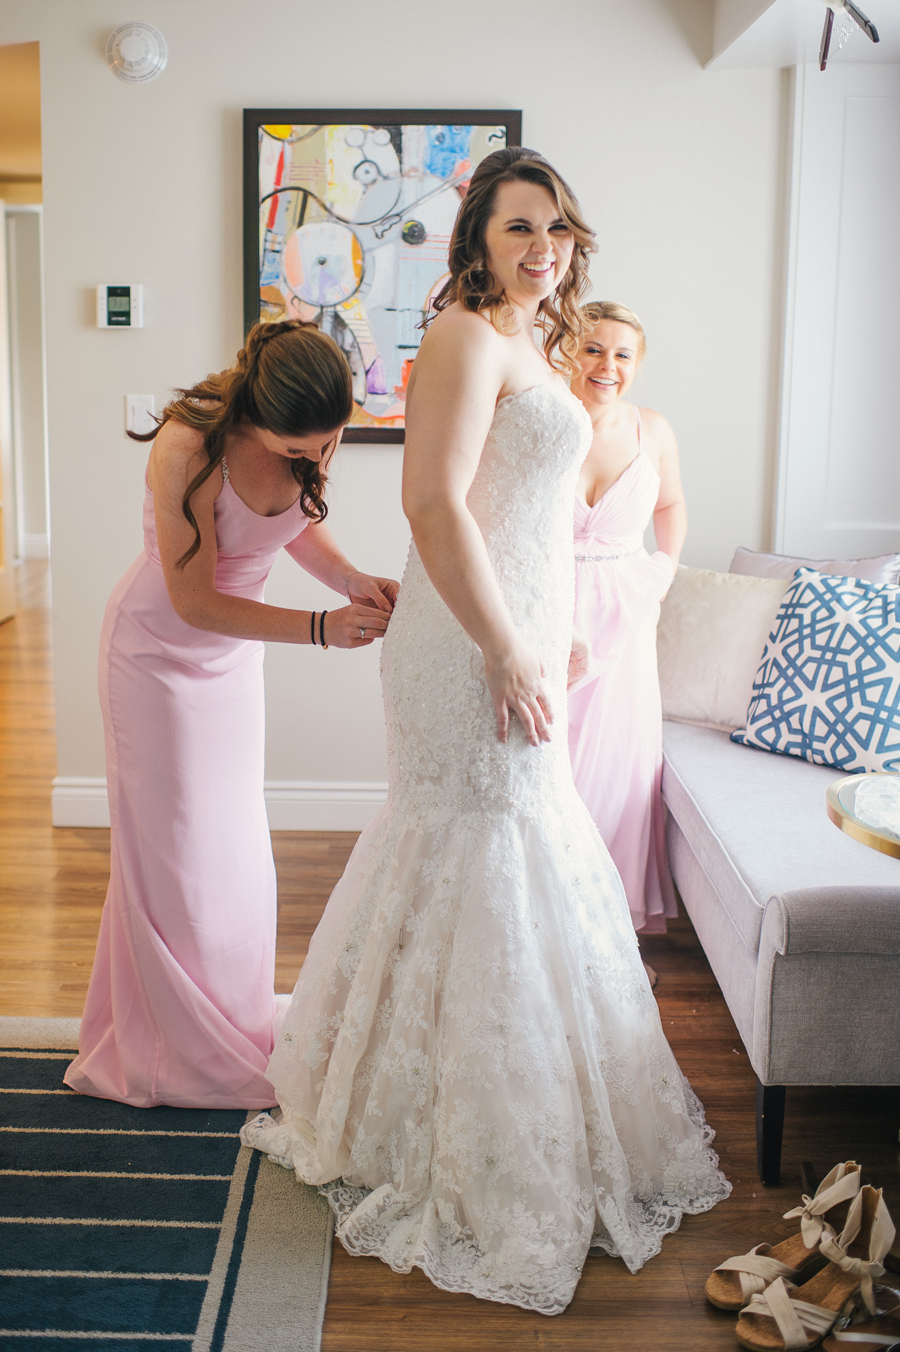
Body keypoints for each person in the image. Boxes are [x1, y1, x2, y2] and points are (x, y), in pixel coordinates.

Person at [242, 151, 728, 1316]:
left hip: (512, 628)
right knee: (482, 845)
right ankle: (433, 1138)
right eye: (519, 226)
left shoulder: (534, 341)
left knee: (508, 851)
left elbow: (529, 513)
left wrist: (546, 627)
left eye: (555, 227)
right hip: (463, 647)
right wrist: (505, 643)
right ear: (479, 233)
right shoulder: (464, 334)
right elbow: (432, 502)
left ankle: (475, 1112)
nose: (542, 246)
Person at [64, 321, 399, 1110]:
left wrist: (350, 580)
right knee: (172, 854)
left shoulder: (308, 436)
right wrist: (320, 629)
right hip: (156, 656)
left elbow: (291, 526)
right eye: (303, 445)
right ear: (255, 414)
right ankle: (167, 1050)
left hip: (230, 657)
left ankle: (231, 1016)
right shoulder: (188, 447)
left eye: (331, 441)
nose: (320, 458)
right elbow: (195, 599)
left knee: (232, 846)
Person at [568, 302, 687, 943]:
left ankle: (606, 936)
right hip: (550, 605)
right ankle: (543, 923)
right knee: (549, 764)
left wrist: (663, 573)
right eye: (592, 349)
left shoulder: (654, 430)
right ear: (567, 351)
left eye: (621, 354)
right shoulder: (542, 422)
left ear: (637, 364)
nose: (606, 365)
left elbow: (670, 505)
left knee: (618, 769)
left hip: (625, 610)